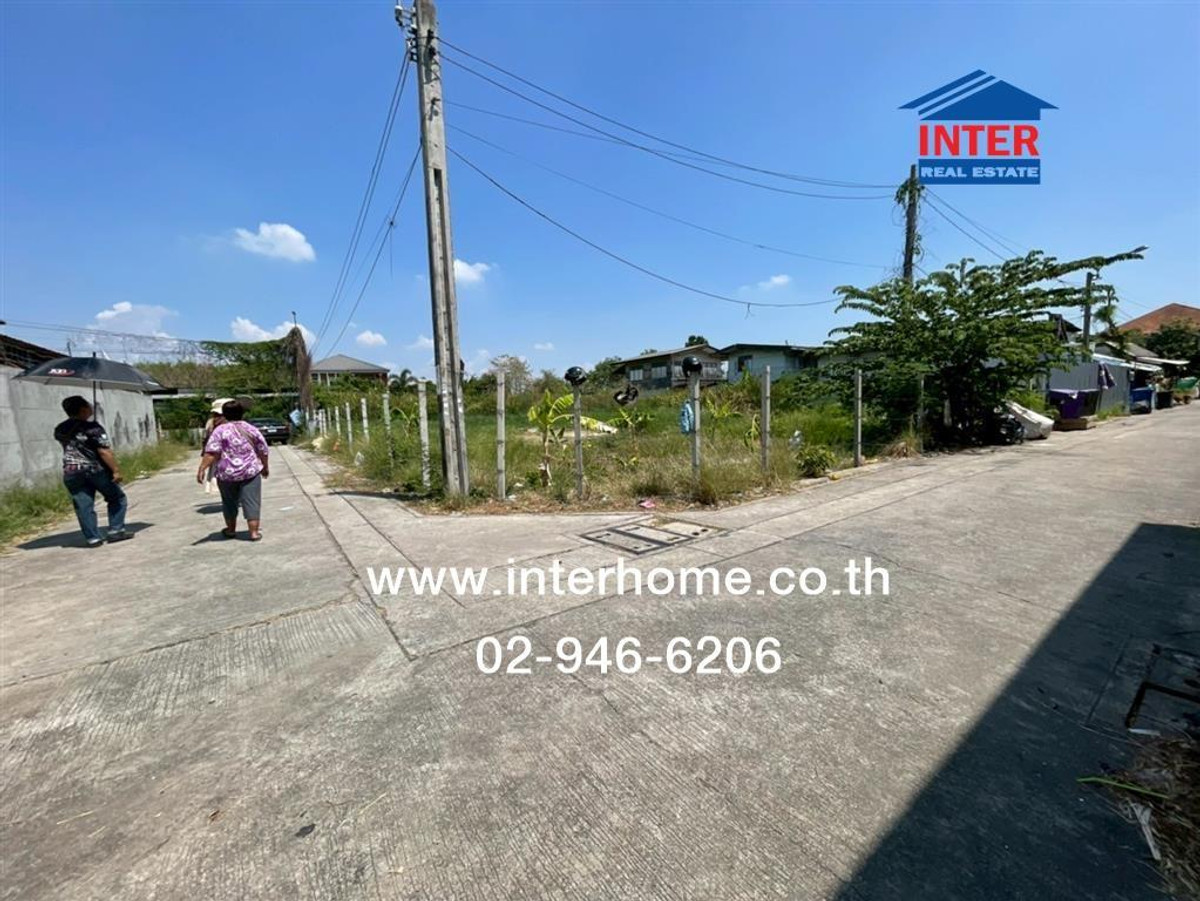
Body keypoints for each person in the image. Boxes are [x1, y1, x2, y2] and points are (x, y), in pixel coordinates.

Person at [53, 395, 133, 547]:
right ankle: (116, 530)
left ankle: (93, 538)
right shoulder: (93, 428)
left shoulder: (60, 429)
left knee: (84, 505)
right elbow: (104, 452)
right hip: (95, 470)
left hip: (72, 471)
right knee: (117, 497)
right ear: (83, 409)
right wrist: (116, 470)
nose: (91, 407)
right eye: (88, 405)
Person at [197, 400, 269, 541]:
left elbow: (211, 452)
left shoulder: (219, 431)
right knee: (252, 501)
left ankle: (230, 530)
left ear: (224, 414)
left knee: (229, 502)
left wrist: (202, 469)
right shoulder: (251, 429)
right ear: (242, 413)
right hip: (250, 472)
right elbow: (263, 450)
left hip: (226, 474)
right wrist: (265, 467)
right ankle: (254, 533)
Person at [200, 398, 233, 494]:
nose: (216, 418)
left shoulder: (234, 424)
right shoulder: (211, 424)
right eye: (215, 415)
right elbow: (207, 441)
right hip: (219, 458)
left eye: (218, 415)